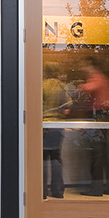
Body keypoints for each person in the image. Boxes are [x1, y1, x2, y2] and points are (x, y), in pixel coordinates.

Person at [77, 55, 109, 197]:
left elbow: (88, 89)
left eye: (84, 65)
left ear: (90, 65)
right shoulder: (103, 78)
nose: (82, 68)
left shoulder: (97, 78)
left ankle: (96, 189)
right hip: (103, 117)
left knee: (96, 154)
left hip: (98, 117)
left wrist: (77, 87)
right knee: (105, 154)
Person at [41, 64, 72, 199]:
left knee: (41, 158)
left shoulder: (41, 85)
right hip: (57, 125)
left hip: (42, 124)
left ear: (46, 71)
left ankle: (41, 190)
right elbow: (67, 107)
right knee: (56, 158)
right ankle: (58, 191)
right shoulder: (61, 86)